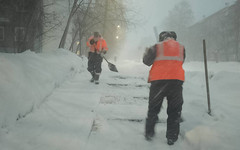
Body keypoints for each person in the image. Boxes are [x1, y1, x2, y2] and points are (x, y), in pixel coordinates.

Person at [143, 31, 185, 145]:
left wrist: (147, 52)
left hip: (158, 82)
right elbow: (181, 61)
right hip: (176, 83)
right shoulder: (181, 48)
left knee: (153, 109)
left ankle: (149, 134)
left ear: (162, 38)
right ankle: (171, 137)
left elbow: (146, 62)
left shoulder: (156, 47)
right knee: (174, 111)